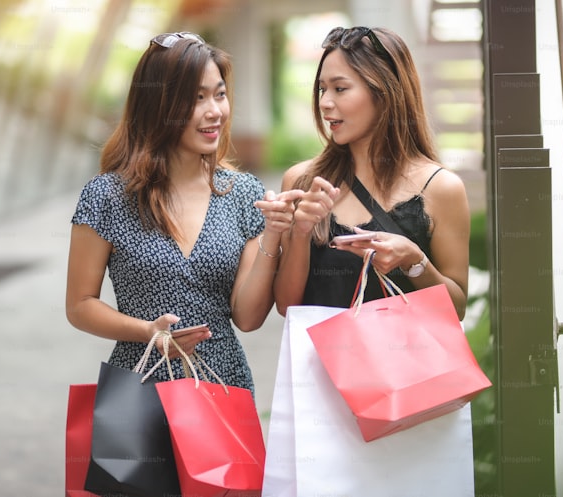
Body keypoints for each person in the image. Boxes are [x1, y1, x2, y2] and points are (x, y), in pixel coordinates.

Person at [65, 31, 296, 393]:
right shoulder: (107, 196)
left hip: (223, 384)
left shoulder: (244, 194)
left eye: (219, 94)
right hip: (138, 386)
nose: (214, 111)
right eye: (196, 98)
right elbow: (79, 305)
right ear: (159, 106)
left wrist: (274, 235)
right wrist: (147, 331)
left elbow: (248, 318)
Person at [274, 26, 470, 319]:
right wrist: (300, 233)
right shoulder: (302, 182)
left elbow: (456, 310)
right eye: (322, 89)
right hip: (322, 363)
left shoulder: (441, 187)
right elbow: (287, 307)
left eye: (340, 89)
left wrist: (415, 262)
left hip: (405, 363)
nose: (325, 102)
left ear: (385, 91)